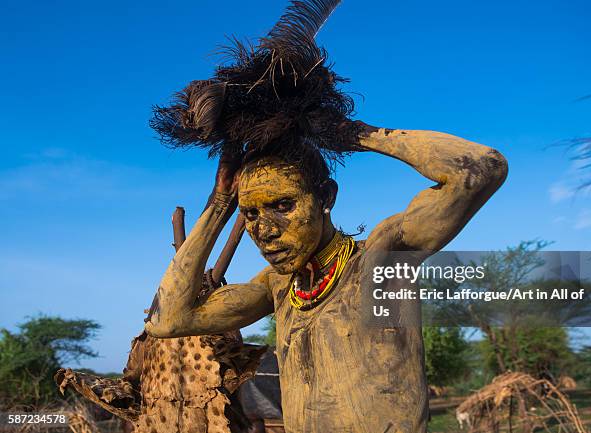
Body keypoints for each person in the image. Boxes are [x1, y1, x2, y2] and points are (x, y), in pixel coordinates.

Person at [144, 1, 508, 431]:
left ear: (325, 197)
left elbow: (480, 167)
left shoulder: (382, 259)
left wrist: (351, 133)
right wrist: (219, 204)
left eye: (283, 205)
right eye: (252, 213)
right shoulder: (279, 287)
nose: (265, 231)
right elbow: (168, 321)